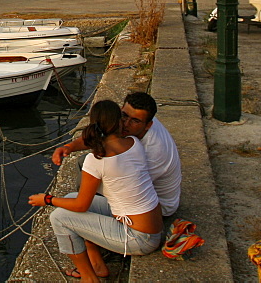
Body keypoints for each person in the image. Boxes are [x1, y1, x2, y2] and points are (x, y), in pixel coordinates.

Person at [30, 100, 163, 281]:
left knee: (59, 217)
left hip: (139, 238)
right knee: (70, 197)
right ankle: (98, 265)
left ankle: (89, 278)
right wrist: (69, 147)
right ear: (118, 122)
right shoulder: (133, 143)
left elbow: (81, 205)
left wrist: (46, 199)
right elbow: (79, 200)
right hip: (151, 227)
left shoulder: (97, 160)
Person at [52, 91, 181, 217]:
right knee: (84, 162)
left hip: (157, 207)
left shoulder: (154, 151)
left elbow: (132, 190)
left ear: (148, 125)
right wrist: (69, 147)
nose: (125, 124)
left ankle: (86, 215)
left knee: (88, 182)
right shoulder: (136, 130)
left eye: (135, 121)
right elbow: (101, 133)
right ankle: (84, 210)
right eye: (124, 116)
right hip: (138, 192)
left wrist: (82, 200)